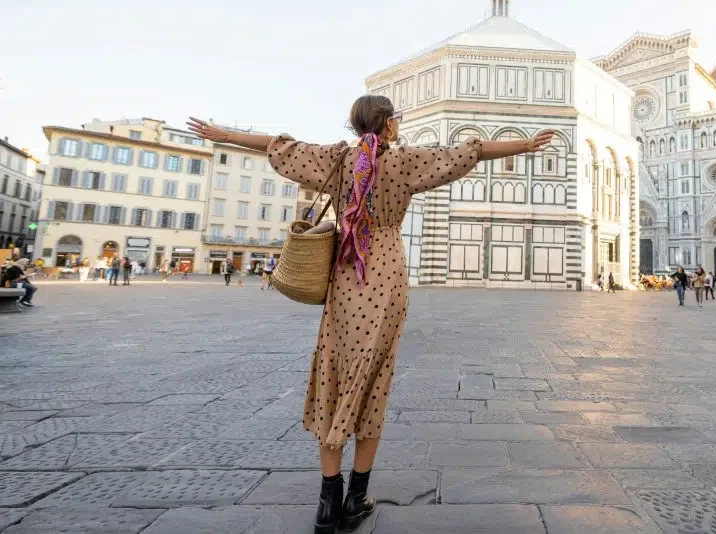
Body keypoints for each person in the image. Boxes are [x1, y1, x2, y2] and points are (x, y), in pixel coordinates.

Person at [187, 96, 555, 534]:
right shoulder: (405, 163)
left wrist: (224, 134)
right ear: (387, 124)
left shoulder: (336, 159)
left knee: (335, 373)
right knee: (373, 381)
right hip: (385, 273)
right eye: (397, 119)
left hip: (345, 273)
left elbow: (278, 145)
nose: (400, 125)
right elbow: (468, 151)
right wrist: (525, 145)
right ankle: (357, 496)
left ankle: (329, 501)